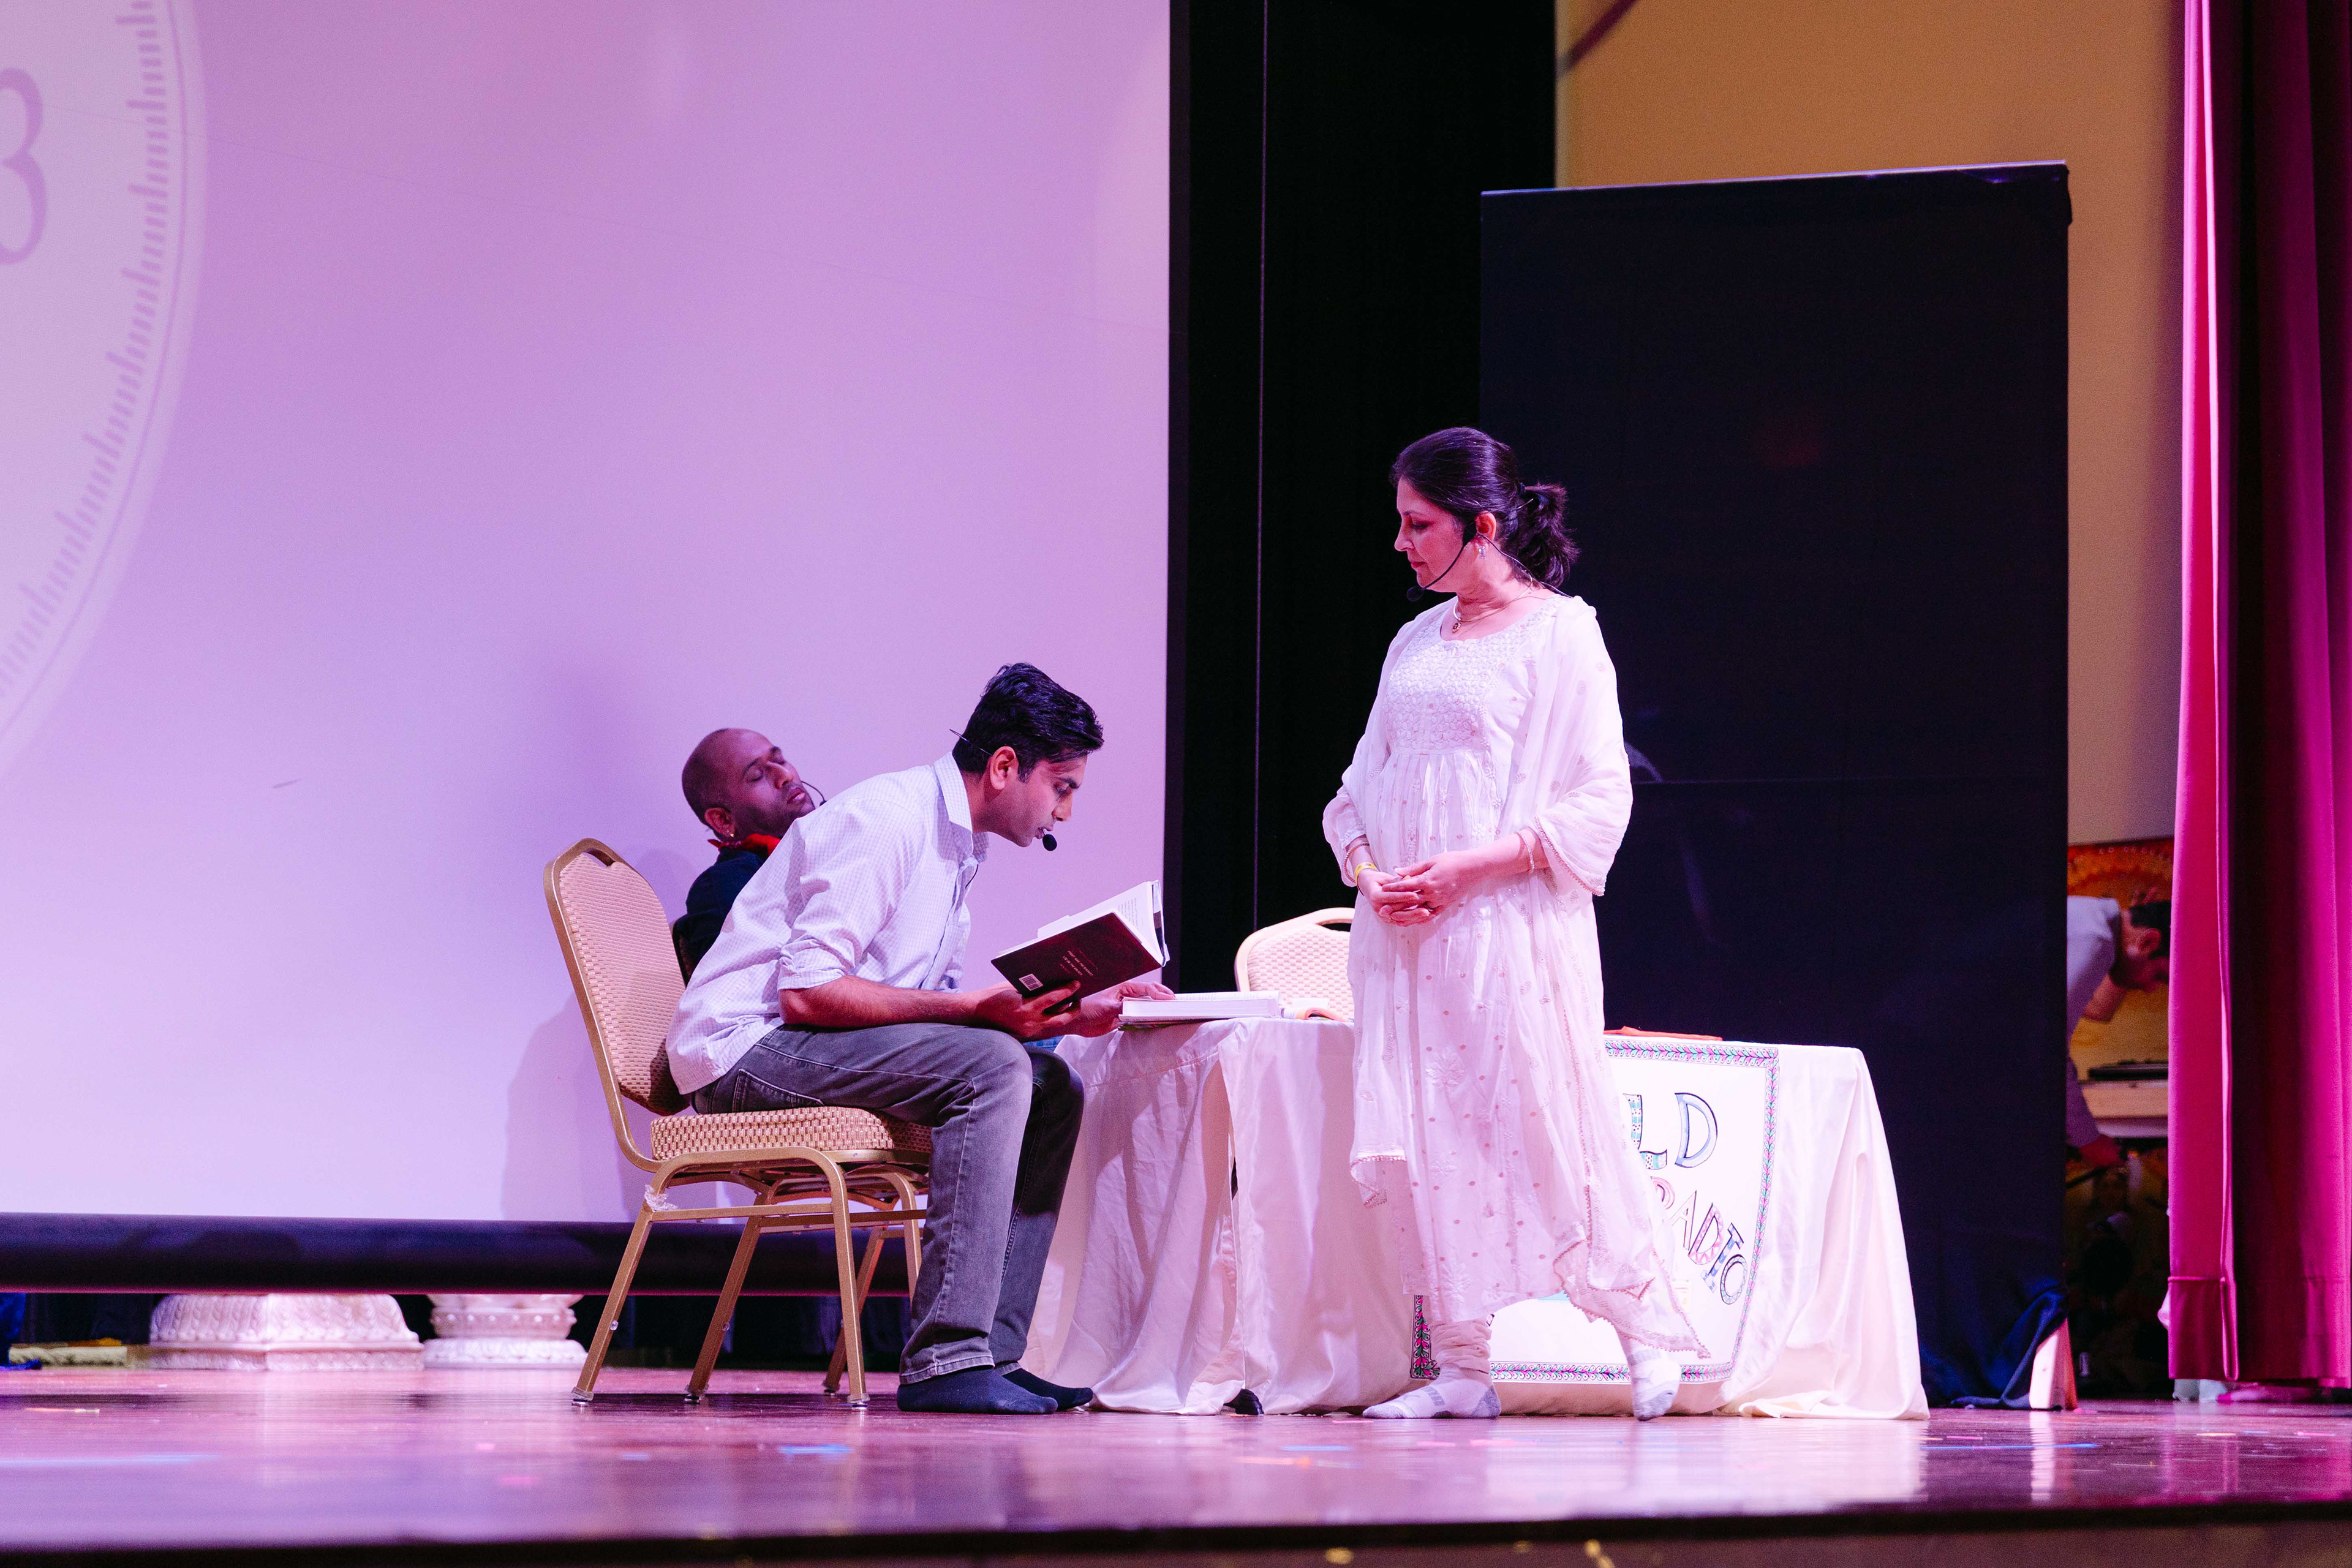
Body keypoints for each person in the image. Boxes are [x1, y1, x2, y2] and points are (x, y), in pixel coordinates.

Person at [665, 664, 1170, 1415]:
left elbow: (918, 1007)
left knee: (1049, 1083)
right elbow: (806, 991)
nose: (1065, 812)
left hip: (807, 1044)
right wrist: (981, 1012)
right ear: (1006, 767)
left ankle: (993, 1353)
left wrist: (1063, 1014)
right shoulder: (890, 820)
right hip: (743, 1052)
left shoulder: (960, 844)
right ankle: (945, 1358)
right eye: (1062, 787)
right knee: (995, 1068)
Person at [1324, 427, 1699, 1422]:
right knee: (1434, 1137)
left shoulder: (1561, 634)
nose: (1401, 543)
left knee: (1556, 1128)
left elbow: (1598, 798)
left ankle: (1645, 1337)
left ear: (1483, 526)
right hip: (1410, 941)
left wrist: (1467, 869)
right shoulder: (1414, 642)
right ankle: (1460, 1367)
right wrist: (1370, 875)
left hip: (1510, 932)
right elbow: (1356, 793)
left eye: (1420, 525)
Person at [672, 728, 826, 979]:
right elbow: (749, 989)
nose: (785, 775)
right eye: (757, 776)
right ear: (723, 820)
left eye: (780, 760)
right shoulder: (727, 884)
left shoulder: (836, 840)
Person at [2064, 897, 2171, 1169]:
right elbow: (2046, 1046)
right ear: (2149, 941)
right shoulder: (2095, 940)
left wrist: (2131, 951)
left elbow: (2097, 1009)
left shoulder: (2096, 925)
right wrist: (2088, 1140)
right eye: (2159, 976)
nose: (2151, 989)